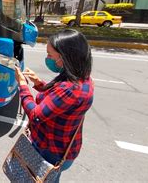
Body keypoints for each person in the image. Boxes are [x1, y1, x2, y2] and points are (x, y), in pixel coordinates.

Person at [14, 29, 94, 182]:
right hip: (62, 148)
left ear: (65, 57)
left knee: (39, 178)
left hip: (51, 150)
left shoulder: (71, 88)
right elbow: (58, 101)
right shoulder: (83, 78)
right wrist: (39, 84)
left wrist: (23, 85)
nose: (47, 58)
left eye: (50, 55)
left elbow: (36, 115)